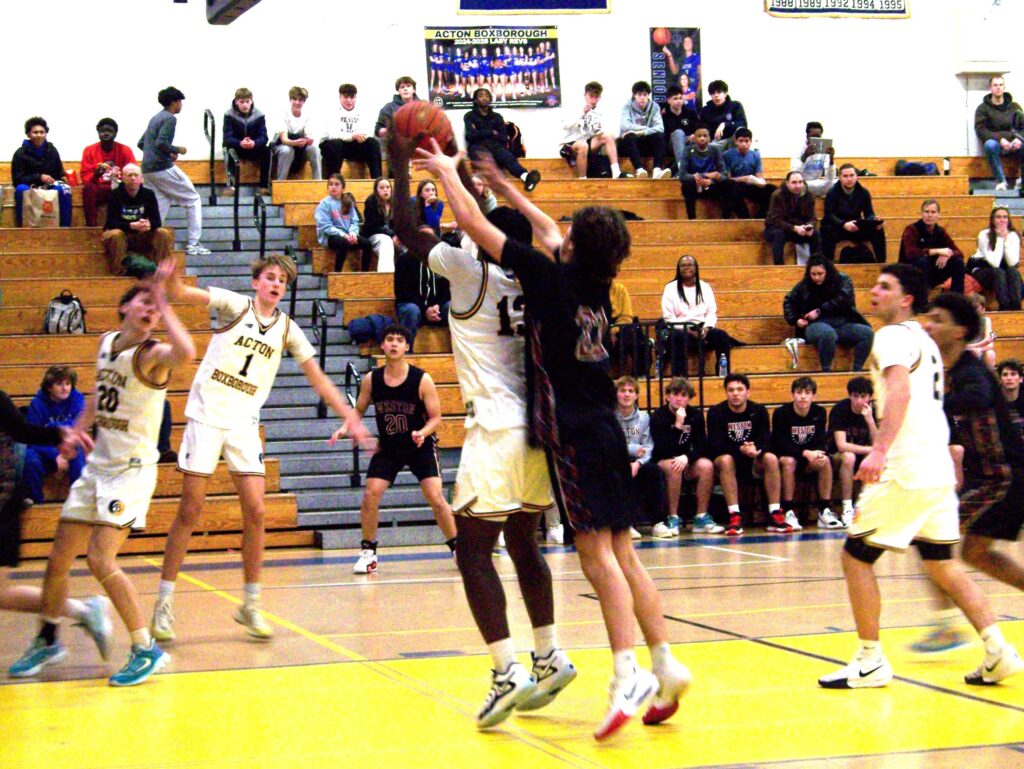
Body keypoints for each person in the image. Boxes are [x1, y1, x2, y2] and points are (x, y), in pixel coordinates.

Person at [416, 140, 692, 740]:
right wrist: (504, 183)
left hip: (573, 430)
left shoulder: (546, 276)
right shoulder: (595, 279)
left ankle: (628, 674)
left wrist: (449, 175)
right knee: (624, 553)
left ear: (570, 246)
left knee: (596, 558)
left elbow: (470, 223)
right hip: (608, 426)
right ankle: (666, 663)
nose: (554, 232)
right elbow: (544, 224)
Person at [387, 134, 576, 727]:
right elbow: (536, 230)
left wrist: (400, 164)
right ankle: (547, 656)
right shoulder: (546, 275)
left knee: (472, 550)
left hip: (495, 425)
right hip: (540, 427)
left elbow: (405, 230)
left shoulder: (468, 270)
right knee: (524, 542)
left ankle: (506, 671)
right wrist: (488, 185)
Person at [818, 265, 1021, 689]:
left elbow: (901, 392)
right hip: (937, 471)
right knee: (943, 565)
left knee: (855, 558)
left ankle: (870, 659)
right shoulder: (926, 344)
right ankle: (998, 650)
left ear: (906, 299)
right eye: (875, 284)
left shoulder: (892, 336)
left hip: (907, 468)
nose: (874, 291)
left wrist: (878, 449)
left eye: (885, 287)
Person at [150, 254, 372, 643]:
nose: (275, 285)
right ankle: (163, 603)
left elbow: (318, 379)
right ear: (256, 282)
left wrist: (350, 416)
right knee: (191, 509)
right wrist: (168, 284)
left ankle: (250, 604)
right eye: (270, 278)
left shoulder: (288, 328)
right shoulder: (236, 305)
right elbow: (184, 293)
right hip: (207, 414)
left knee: (257, 510)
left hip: (243, 423)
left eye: (282, 281)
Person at [9, 263, 195, 686]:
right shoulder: (107, 341)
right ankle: (49, 636)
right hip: (98, 467)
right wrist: (77, 428)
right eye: (145, 302)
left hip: (130, 472)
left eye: (156, 306)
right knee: (58, 557)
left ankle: (146, 648)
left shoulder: (153, 355)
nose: (151, 310)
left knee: (99, 558)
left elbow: (186, 352)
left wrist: (164, 301)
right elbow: (96, 391)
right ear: (124, 307)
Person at [920, 292, 1024, 667]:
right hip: (994, 476)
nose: (929, 324)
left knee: (934, 537)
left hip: (1004, 475)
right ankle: (948, 625)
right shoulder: (945, 369)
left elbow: (979, 397)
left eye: (938, 318)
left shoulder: (970, 370)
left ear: (960, 331)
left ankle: (948, 626)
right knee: (975, 553)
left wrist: (931, 407)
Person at [345, 326, 457, 574]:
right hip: (389, 446)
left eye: (399, 340)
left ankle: (458, 548)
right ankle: (368, 553)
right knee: (371, 494)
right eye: (389, 340)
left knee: (436, 498)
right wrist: (346, 426)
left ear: (407, 347)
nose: (394, 344)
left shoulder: (422, 379)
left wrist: (422, 432)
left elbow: (436, 418)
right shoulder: (371, 380)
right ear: (382, 346)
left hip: (420, 445)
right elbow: (359, 409)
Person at [0, 389, 103, 658]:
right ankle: (79, 611)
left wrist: (60, 434)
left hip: (3, 504)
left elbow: (23, 431)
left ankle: (71, 617)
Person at [706, 374, 786, 536]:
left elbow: (766, 439)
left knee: (770, 458)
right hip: (730, 461)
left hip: (754, 460)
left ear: (747, 392)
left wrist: (757, 449)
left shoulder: (759, 411)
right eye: (731, 390)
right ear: (726, 393)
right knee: (725, 459)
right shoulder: (716, 412)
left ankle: (775, 513)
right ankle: (734, 515)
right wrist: (740, 449)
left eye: (740, 389)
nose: (735, 394)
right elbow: (715, 445)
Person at [139, 87, 209, 257]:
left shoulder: (155, 118)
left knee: (160, 205)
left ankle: (146, 244)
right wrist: (178, 149)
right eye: (180, 101)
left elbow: (142, 143)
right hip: (162, 167)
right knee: (193, 199)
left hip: (147, 170)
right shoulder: (170, 119)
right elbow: (161, 143)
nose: (181, 105)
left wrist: (165, 151)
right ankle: (193, 244)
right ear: (174, 102)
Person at [649, 377, 720, 536]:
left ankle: (701, 517)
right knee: (674, 466)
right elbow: (662, 448)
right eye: (675, 394)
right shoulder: (658, 416)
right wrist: (678, 425)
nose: (679, 398)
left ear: (689, 398)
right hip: (663, 460)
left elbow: (702, 446)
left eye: (683, 395)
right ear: (667, 396)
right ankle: (673, 517)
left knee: (706, 465)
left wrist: (687, 457)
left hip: (685, 460)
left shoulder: (695, 415)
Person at [783, 255, 874, 372]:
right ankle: (826, 372)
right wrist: (795, 320)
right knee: (828, 334)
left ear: (827, 272)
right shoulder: (804, 285)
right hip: (815, 324)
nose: (816, 277)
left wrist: (820, 310)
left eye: (820, 274)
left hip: (843, 323)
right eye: (813, 274)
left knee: (867, 333)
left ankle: (857, 371)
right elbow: (789, 301)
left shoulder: (843, 280)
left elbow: (844, 299)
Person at [771, 376, 838, 530]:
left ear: (813, 396)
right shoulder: (781, 413)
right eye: (799, 392)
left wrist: (818, 454)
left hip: (808, 458)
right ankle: (788, 510)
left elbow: (820, 439)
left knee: (825, 460)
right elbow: (779, 443)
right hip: (788, 457)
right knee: (788, 462)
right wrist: (804, 452)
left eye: (807, 392)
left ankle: (824, 511)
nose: (802, 396)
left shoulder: (819, 412)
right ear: (792, 394)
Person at [660, 254, 735, 375]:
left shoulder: (705, 287)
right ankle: (680, 377)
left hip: (702, 329)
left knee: (722, 336)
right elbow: (669, 318)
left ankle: (723, 374)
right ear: (678, 269)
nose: (686, 268)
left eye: (690, 265)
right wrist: (688, 330)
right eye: (683, 265)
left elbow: (711, 312)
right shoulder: (670, 288)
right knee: (677, 337)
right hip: (681, 329)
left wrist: (706, 329)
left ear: (696, 268)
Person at [22, 366, 86, 505]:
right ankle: (36, 503)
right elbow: (32, 438)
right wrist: (55, 455)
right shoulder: (37, 404)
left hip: (69, 449)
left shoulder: (77, 399)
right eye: (59, 384)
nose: (65, 388)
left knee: (77, 450)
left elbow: (76, 430)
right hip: (45, 451)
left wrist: (63, 454)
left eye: (68, 384)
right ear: (49, 387)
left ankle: (78, 502)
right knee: (29, 457)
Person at [614, 376, 664, 538]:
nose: (627, 395)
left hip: (638, 463)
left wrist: (638, 463)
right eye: (623, 391)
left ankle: (658, 523)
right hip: (616, 460)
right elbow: (611, 444)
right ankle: (627, 524)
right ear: (616, 394)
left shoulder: (644, 417)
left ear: (636, 396)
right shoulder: (610, 417)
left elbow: (648, 446)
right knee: (619, 475)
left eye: (631, 391)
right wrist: (634, 449)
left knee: (653, 471)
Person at [101, 164, 173, 277]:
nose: (133, 178)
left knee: (162, 233)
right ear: (123, 178)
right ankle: (119, 272)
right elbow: (110, 223)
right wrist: (131, 225)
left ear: (141, 178)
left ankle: (162, 272)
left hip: (142, 234)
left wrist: (149, 225)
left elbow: (157, 221)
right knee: (115, 234)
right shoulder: (115, 194)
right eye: (129, 175)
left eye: (136, 175)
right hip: (122, 235)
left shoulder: (149, 194)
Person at [464, 87, 541, 190]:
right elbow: (470, 135)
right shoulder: (469, 116)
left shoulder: (497, 117)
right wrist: (492, 132)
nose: (484, 98)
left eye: (487, 96)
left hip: (495, 146)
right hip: (478, 146)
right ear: (475, 100)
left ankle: (526, 177)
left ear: (490, 99)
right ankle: (492, 181)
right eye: (481, 96)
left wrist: (481, 133)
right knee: (484, 157)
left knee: (507, 156)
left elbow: (503, 137)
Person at [827, 376, 877, 527]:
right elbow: (841, 445)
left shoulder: (874, 412)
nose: (859, 401)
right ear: (850, 396)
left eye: (863, 396)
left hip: (862, 456)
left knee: (873, 458)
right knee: (849, 457)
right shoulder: (840, 409)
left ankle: (862, 507)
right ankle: (847, 508)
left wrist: (870, 421)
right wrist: (870, 449)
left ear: (870, 397)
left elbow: (878, 444)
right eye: (855, 396)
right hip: (836, 457)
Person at [12, 116, 71, 227]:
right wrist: (39, 177)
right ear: (28, 134)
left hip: (49, 186)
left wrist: (62, 178)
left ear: (45, 134)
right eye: (35, 132)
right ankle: (22, 227)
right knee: (21, 190)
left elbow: (58, 172)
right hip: (29, 186)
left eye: (42, 132)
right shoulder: (20, 153)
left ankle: (64, 228)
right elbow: (17, 179)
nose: (39, 135)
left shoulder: (52, 150)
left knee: (64, 189)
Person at [898, 199, 966, 294]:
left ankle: (957, 299)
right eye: (926, 212)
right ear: (922, 213)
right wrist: (937, 251)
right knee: (922, 261)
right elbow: (911, 253)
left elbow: (960, 253)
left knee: (958, 262)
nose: (930, 215)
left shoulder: (940, 231)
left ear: (938, 215)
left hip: (931, 272)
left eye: (933, 212)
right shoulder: (912, 229)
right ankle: (922, 300)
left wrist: (948, 254)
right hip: (911, 271)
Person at [394, 237, 450, 351]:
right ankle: (405, 352)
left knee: (453, 307)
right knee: (411, 310)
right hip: (413, 307)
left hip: (437, 309)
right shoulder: (404, 260)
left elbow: (448, 290)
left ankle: (459, 353)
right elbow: (403, 293)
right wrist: (425, 309)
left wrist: (437, 306)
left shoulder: (442, 262)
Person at [822, 165, 887, 263]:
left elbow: (869, 213)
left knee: (878, 230)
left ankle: (881, 263)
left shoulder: (864, 192)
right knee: (826, 230)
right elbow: (829, 215)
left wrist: (874, 220)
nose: (849, 179)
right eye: (845, 176)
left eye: (852, 175)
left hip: (856, 225)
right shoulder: (832, 193)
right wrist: (843, 224)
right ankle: (828, 264)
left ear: (857, 176)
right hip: (838, 226)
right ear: (840, 178)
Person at [560, 81, 624, 179]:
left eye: (596, 97)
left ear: (600, 97)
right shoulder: (574, 107)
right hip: (570, 144)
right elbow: (565, 125)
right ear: (585, 95)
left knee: (608, 135)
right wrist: (582, 113)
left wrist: (599, 130)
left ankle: (616, 172)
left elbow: (596, 132)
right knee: (583, 145)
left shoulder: (598, 112)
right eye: (591, 96)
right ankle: (583, 179)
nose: (593, 100)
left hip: (587, 141)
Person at [80, 118, 137, 227]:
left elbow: (133, 173)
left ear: (115, 133)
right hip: (99, 189)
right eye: (102, 131)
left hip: (119, 189)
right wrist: (95, 175)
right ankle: (91, 227)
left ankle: (125, 225)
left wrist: (120, 178)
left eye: (110, 131)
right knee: (88, 189)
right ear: (98, 133)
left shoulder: (125, 150)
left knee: (133, 187)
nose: (106, 133)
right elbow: (85, 177)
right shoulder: (89, 150)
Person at [678, 125, 742, 220]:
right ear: (694, 139)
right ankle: (692, 219)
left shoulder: (715, 150)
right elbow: (682, 176)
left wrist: (711, 181)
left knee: (731, 184)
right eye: (699, 136)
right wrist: (703, 176)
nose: (702, 138)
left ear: (709, 138)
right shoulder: (687, 150)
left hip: (710, 186)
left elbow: (723, 174)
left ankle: (725, 218)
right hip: (695, 186)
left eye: (705, 136)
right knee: (687, 185)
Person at [974, 74, 1024, 190]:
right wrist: (1000, 139)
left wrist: (1019, 138)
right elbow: (981, 130)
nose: (998, 88)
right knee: (989, 145)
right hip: (997, 144)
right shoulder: (983, 109)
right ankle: (1001, 181)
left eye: (1001, 85)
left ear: (1004, 87)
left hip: (1015, 142)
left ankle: (1022, 182)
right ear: (990, 88)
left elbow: (1023, 127)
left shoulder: (1015, 107)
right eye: (995, 85)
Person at [321, 83, 382, 179]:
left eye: (352, 97)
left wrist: (358, 137)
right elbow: (332, 134)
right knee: (335, 144)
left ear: (355, 97)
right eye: (345, 97)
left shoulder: (362, 111)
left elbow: (368, 132)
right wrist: (352, 136)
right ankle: (333, 180)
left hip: (353, 145)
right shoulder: (331, 111)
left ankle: (378, 181)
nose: (349, 100)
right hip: (334, 145)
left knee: (373, 144)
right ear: (340, 97)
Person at [968, 206, 1022, 310]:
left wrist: (1006, 240)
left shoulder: (1013, 235)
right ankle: (1004, 306)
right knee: (998, 272)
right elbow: (995, 263)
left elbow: (1012, 263)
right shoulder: (984, 234)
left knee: (1013, 272)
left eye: (1005, 217)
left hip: (1004, 272)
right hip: (982, 271)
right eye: (998, 217)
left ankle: (1016, 306)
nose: (1002, 220)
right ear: (992, 220)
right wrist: (1000, 239)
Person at [315, 175, 372, 272]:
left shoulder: (348, 202)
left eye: (337, 184)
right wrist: (343, 235)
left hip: (348, 235)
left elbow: (354, 221)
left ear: (343, 188)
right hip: (330, 237)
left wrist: (353, 234)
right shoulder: (324, 204)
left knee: (367, 244)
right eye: (331, 184)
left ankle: (364, 272)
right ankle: (338, 273)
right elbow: (326, 226)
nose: (333, 187)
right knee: (343, 243)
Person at [764, 171, 821, 266]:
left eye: (800, 182)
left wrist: (810, 226)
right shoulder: (778, 195)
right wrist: (794, 228)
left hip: (800, 228)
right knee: (778, 235)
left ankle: (817, 265)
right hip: (778, 228)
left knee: (815, 234)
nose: (798, 186)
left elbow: (812, 217)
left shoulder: (809, 195)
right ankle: (779, 267)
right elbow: (776, 219)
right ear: (787, 183)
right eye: (794, 182)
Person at [617, 81, 670, 180]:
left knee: (659, 136)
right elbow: (625, 126)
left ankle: (657, 170)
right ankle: (639, 170)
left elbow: (660, 128)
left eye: (645, 95)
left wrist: (642, 132)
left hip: (646, 141)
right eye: (639, 95)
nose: (642, 97)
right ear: (634, 95)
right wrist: (645, 129)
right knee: (629, 136)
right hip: (631, 144)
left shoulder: (655, 107)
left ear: (648, 95)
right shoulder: (627, 107)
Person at [222, 87, 271, 194]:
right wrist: (240, 143)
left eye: (247, 102)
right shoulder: (229, 115)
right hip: (237, 147)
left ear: (251, 101)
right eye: (242, 102)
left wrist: (254, 143)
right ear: (236, 102)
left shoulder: (259, 115)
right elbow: (227, 138)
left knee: (267, 151)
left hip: (253, 147)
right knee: (228, 150)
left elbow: (264, 137)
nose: (245, 105)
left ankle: (264, 186)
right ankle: (231, 186)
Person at [723, 127, 775, 218]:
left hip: (751, 185)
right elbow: (727, 179)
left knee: (772, 189)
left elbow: (759, 176)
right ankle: (744, 217)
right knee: (731, 189)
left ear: (751, 142)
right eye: (741, 141)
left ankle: (760, 216)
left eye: (747, 141)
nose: (744, 144)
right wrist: (743, 179)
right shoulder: (727, 155)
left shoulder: (755, 155)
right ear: (736, 141)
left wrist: (760, 182)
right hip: (736, 185)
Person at [273, 86, 321, 182]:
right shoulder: (283, 114)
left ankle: (318, 181)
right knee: (287, 151)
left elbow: (308, 135)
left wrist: (308, 140)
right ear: (290, 100)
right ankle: (280, 183)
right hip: (282, 145)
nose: (297, 102)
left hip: (299, 145)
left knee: (315, 149)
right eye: (294, 99)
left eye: (301, 100)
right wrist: (296, 142)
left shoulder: (308, 115)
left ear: (304, 101)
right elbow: (284, 140)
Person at [363, 176, 399, 272]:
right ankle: (386, 277)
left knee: (410, 244)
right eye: (382, 188)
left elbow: (400, 223)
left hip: (392, 235)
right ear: (376, 190)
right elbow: (371, 226)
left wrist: (399, 235)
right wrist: (391, 234)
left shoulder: (395, 203)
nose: (385, 190)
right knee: (386, 241)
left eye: (388, 187)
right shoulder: (371, 202)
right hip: (373, 235)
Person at [661, 84, 698, 176]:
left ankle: (678, 172)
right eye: (675, 98)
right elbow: (664, 137)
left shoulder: (690, 113)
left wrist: (695, 134)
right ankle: (682, 168)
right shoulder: (664, 117)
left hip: (690, 144)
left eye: (680, 98)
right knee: (678, 133)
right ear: (669, 100)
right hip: (671, 146)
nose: (679, 101)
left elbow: (700, 127)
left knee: (699, 141)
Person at [698, 80, 747, 149]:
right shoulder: (706, 110)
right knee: (709, 148)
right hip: (715, 142)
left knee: (740, 130)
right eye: (713, 93)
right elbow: (702, 128)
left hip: (732, 140)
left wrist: (725, 124)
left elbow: (743, 124)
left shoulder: (735, 106)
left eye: (719, 92)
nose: (716, 95)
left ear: (725, 93)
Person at [792, 121, 836, 198]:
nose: (816, 139)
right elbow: (793, 174)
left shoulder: (824, 149)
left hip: (817, 183)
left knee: (837, 183)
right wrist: (805, 156)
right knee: (796, 185)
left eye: (818, 137)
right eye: (813, 136)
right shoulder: (799, 149)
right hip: (802, 183)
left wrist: (831, 159)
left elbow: (830, 178)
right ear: (807, 136)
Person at [965, 293, 997, 370]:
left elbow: (990, 344)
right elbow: (960, 345)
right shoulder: (962, 322)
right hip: (965, 351)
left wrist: (979, 349)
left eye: (977, 308)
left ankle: (988, 380)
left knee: (990, 354)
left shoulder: (986, 320)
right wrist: (975, 347)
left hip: (979, 350)